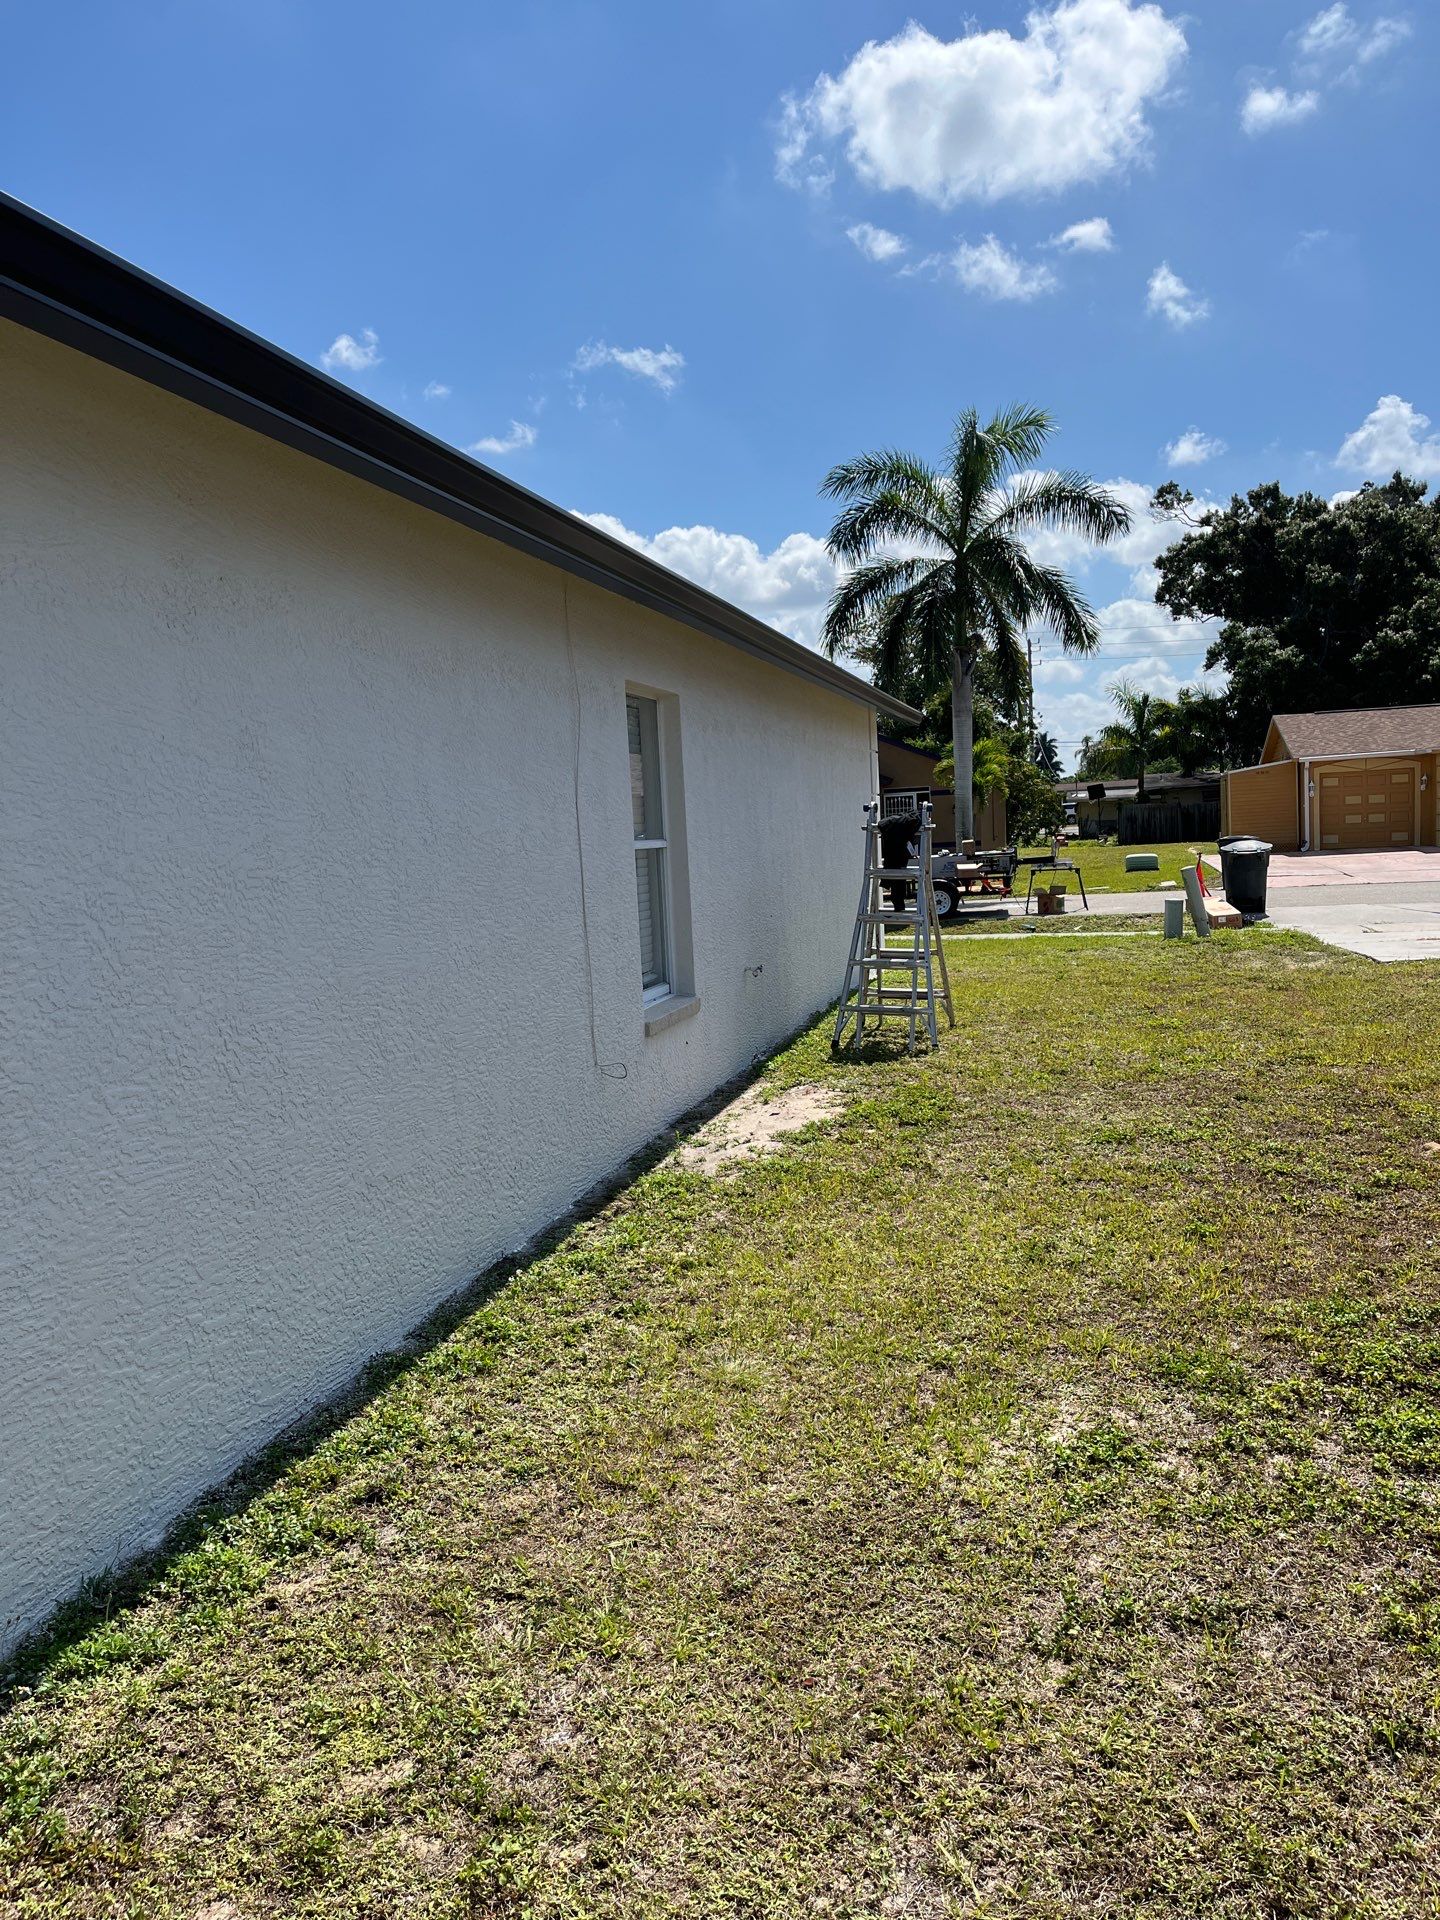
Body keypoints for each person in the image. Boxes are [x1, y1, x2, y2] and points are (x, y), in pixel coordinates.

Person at [878, 809, 921, 917]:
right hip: (897, 854)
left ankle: (898, 904)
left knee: (896, 878)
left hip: (893, 854)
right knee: (898, 878)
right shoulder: (912, 821)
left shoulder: (903, 821)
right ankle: (899, 904)